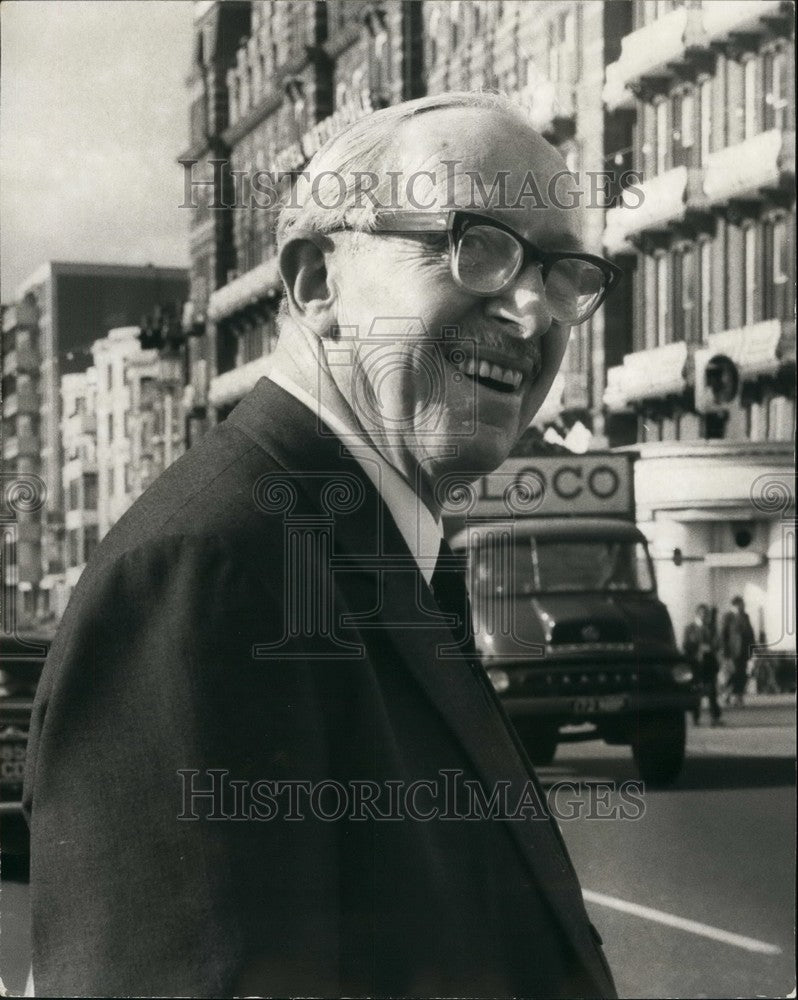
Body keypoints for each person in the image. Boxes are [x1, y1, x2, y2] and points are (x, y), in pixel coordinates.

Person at [23, 93, 618, 998]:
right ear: (316, 282)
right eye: (479, 247)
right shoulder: (208, 576)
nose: (533, 313)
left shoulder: (364, 544)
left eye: (563, 273)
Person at [683, 603, 723, 726]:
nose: (705, 616)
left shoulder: (711, 629)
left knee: (712, 691)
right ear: (697, 614)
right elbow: (685, 645)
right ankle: (696, 718)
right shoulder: (689, 628)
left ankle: (715, 717)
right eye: (703, 614)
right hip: (695, 664)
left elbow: (718, 643)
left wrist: (710, 648)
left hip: (709, 663)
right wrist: (698, 648)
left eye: (707, 614)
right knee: (695, 691)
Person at [721, 595, 755, 707]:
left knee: (742, 674)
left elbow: (750, 633)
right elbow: (723, 635)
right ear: (735, 605)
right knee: (734, 673)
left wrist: (753, 648)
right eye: (741, 604)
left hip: (744, 651)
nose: (743, 606)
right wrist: (725, 652)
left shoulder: (745, 616)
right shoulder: (728, 617)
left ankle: (737, 696)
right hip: (733, 651)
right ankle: (730, 694)